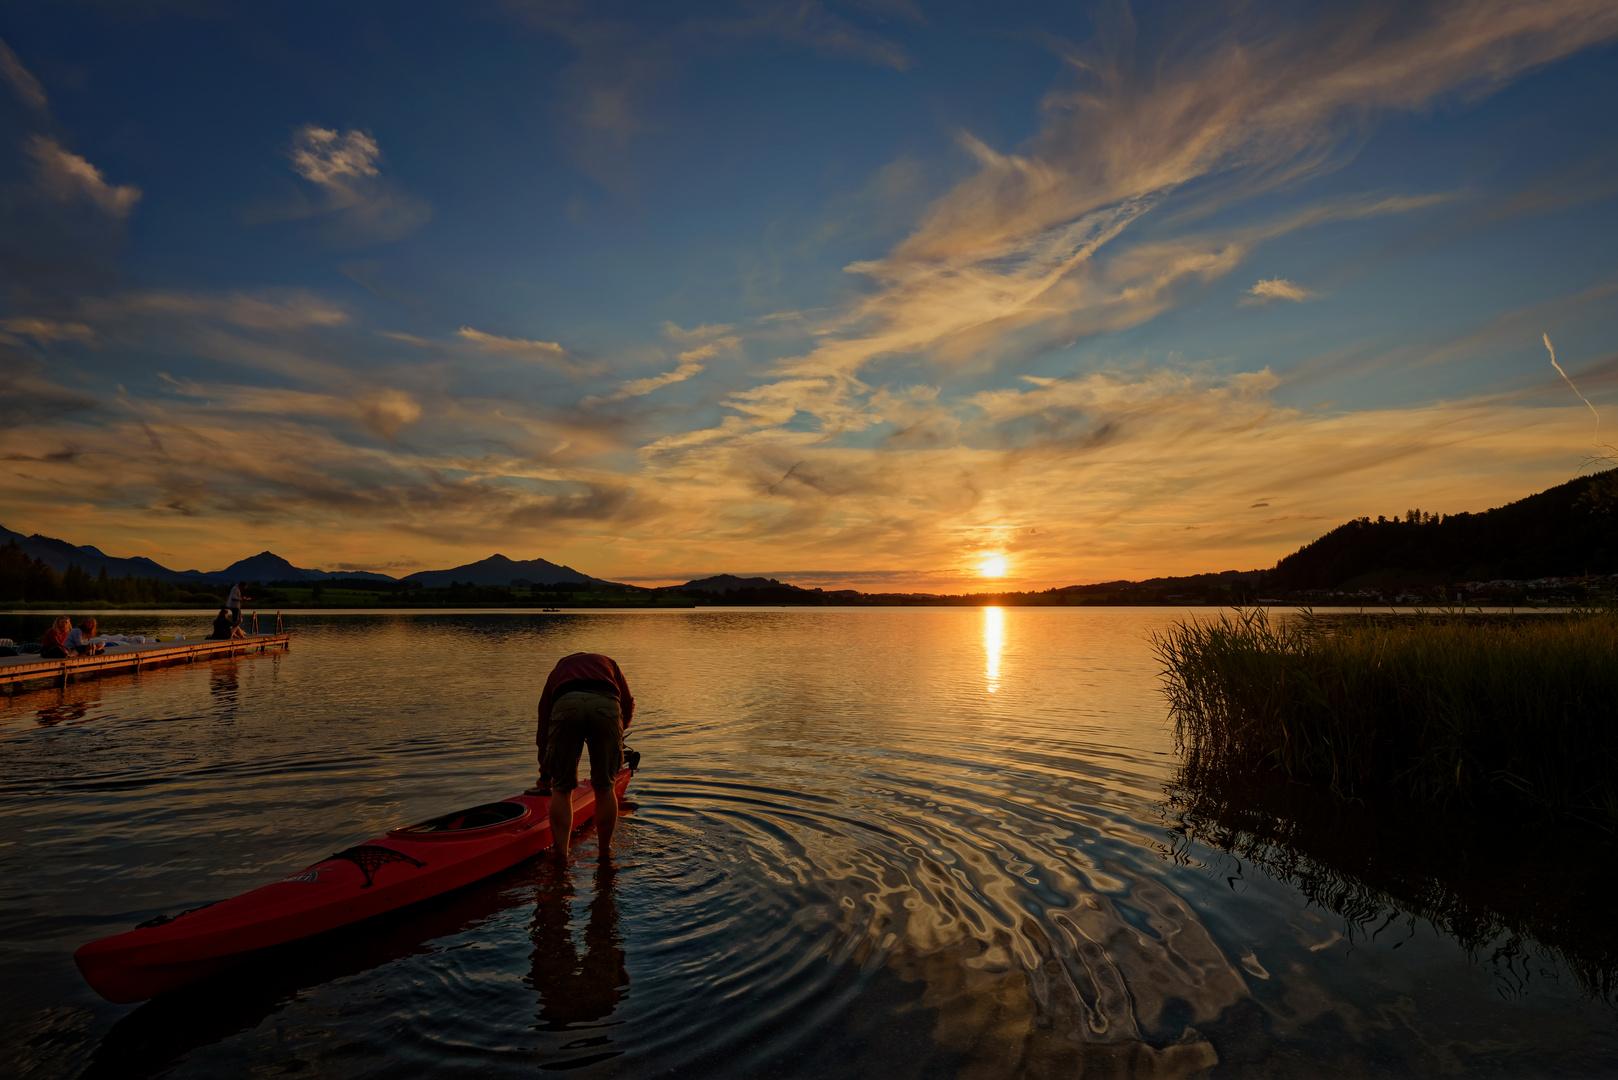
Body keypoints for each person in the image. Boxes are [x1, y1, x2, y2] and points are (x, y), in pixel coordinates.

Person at [530, 652, 634, 863]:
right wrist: (618, 732)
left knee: (561, 787)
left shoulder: (558, 670)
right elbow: (628, 703)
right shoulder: (609, 663)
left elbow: (544, 726)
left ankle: (562, 857)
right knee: (605, 786)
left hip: (566, 704)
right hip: (607, 705)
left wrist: (545, 772)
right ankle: (605, 855)